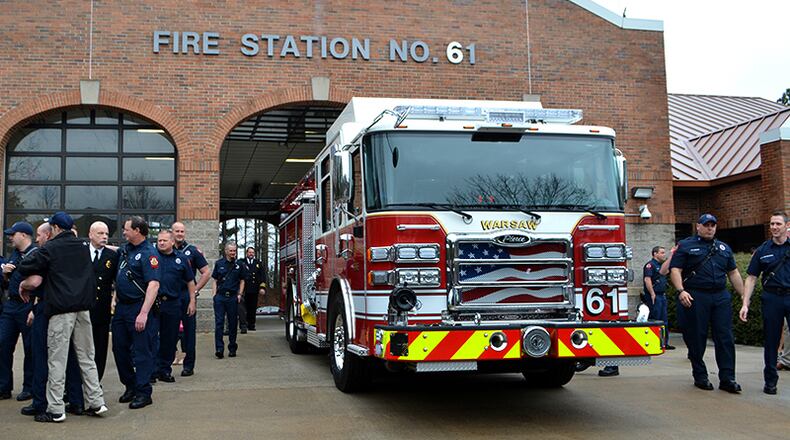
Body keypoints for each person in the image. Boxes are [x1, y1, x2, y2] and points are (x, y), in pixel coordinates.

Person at [18, 212, 107, 423]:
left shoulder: (50, 248)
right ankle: (96, 402)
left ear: (55, 228)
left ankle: (56, 409)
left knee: (57, 359)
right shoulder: (83, 247)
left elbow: (26, 267)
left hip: (61, 309)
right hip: (83, 309)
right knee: (87, 357)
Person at [670, 213, 745, 393]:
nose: (710, 228)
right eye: (706, 225)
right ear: (698, 226)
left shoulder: (723, 248)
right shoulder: (686, 245)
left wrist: (744, 296)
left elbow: (733, 273)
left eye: (713, 225)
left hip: (720, 296)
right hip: (696, 296)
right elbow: (675, 269)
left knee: (725, 338)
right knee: (697, 337)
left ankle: (728, 378)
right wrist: (681, 290)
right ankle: (700, 375)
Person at [21, 223, 84, 417]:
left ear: (49, 234)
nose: (37, 239)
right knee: (71, 357)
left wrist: (22, 284)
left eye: (39, 235)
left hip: (49, 309)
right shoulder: (75, 251)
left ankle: (41, 403)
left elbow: (36, 281)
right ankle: (76, 401)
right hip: (72, 309)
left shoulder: (46, 253)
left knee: (42, 357)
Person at [599, 244, 675, 378]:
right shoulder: (650, 265)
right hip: (655, 295)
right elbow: (647, 280)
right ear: (654, 254)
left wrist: (673, 255)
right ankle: (654, 341)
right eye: (662, 253)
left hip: (662, 295)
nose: (664, 255)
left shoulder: (660, 266)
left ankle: (664, 342)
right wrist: (651, 294)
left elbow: (666, 272)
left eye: (664, 253)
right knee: (655, 319)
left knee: (664, 320)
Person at [111, 216, 160, 409]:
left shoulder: (149, 253)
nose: (123, 232)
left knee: (141, 352)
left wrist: (144, 313)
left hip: (139, 308)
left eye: (126, 229)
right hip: (122, 309)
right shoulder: (126, 250)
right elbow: (114, 250)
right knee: (119, 349)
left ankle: (143, 392)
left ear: (137, 231)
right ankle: (130, 385)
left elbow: (154, 285)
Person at [739, 211, 790, 395]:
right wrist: (745, 303)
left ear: (786, 225)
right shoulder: (763, 250)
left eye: (778, 224)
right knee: (771, 340)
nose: (774, 227)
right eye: (772, 224)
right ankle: (770, 381)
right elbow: (751, 278)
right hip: (772, 298)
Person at [0, 222, 36, 401]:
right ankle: (3, 387)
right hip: (11, 306)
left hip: (27, 306)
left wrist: (34, 307)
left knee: (30, 348)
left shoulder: (36, 254)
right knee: (3, 343)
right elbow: (7, 283)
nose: (10, 238)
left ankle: (29, 387)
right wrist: (5, 274)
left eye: (13, 235)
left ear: (23, 235)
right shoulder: (13, 255)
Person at [154, 230, 195, 383]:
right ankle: (152, 371)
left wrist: (192, 301)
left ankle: (164, 370)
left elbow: (190, 281)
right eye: (159, 241)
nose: (161, 243)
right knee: (151, 338)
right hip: (154, 303)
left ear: (172, 242)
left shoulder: (182, 259)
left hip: (173, 304)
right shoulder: (152, 257)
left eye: (164, 240)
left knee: (169, 339)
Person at [172, 222, 209, 376]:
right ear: (172, 232)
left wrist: (195, 290)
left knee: (189, 333)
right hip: (170, 296)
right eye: (177, 231)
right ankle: (164, 366)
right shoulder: (165, 250)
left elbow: (206, 272)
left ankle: (188, 366)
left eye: (182, 231)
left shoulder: (192, 251)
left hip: (187, 296)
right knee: (168, 331)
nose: (180, 234)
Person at [87, 221, 118, 381]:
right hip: (83, 311)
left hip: (102, 311)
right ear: (90, 234)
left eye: (106, 234)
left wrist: (114, 299)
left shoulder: (112, 256)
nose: (105, 236)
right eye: (100, 233)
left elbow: (117, 282)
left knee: (100, 349)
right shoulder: (81, 253)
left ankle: (96, 382)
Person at [212, 242, 246, 359]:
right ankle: (219, 349)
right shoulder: (219, 264)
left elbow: (242, 280)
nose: (233, 253)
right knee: (219, 323)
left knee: (232, 324)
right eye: (231, 251)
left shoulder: (239, 265)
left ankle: (232, 347)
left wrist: (239, 294)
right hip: (220, 297)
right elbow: (214, 280)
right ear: (226, 251)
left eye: (234, 251)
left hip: (233, 297)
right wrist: (214, 295)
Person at [241, 246, 267, 332]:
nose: (251, 254)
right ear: (246, 253)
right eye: (249, 252)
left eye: (252, 252)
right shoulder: (241, 262)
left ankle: (251, 324)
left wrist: (262, 287)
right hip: (244, 290)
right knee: (244, 308)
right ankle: (243, 324)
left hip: (254, 289)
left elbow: (263, 276)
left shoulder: (258, 263)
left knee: (252, 308)